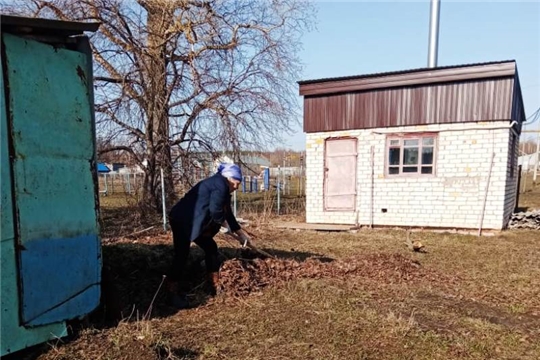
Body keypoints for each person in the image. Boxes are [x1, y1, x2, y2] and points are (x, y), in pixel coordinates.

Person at [166, 163, 250, 309]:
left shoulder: (222, 185)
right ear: (229, 178)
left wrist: (240, 233)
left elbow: (227, 211)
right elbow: (216, 209)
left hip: (191, 221)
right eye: (236, 183)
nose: (237, 187)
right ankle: (172, 292)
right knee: (182, 254)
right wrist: (222, 224)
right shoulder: (220, 185)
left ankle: (213, 283)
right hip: (182, 220)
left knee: (211, 247)